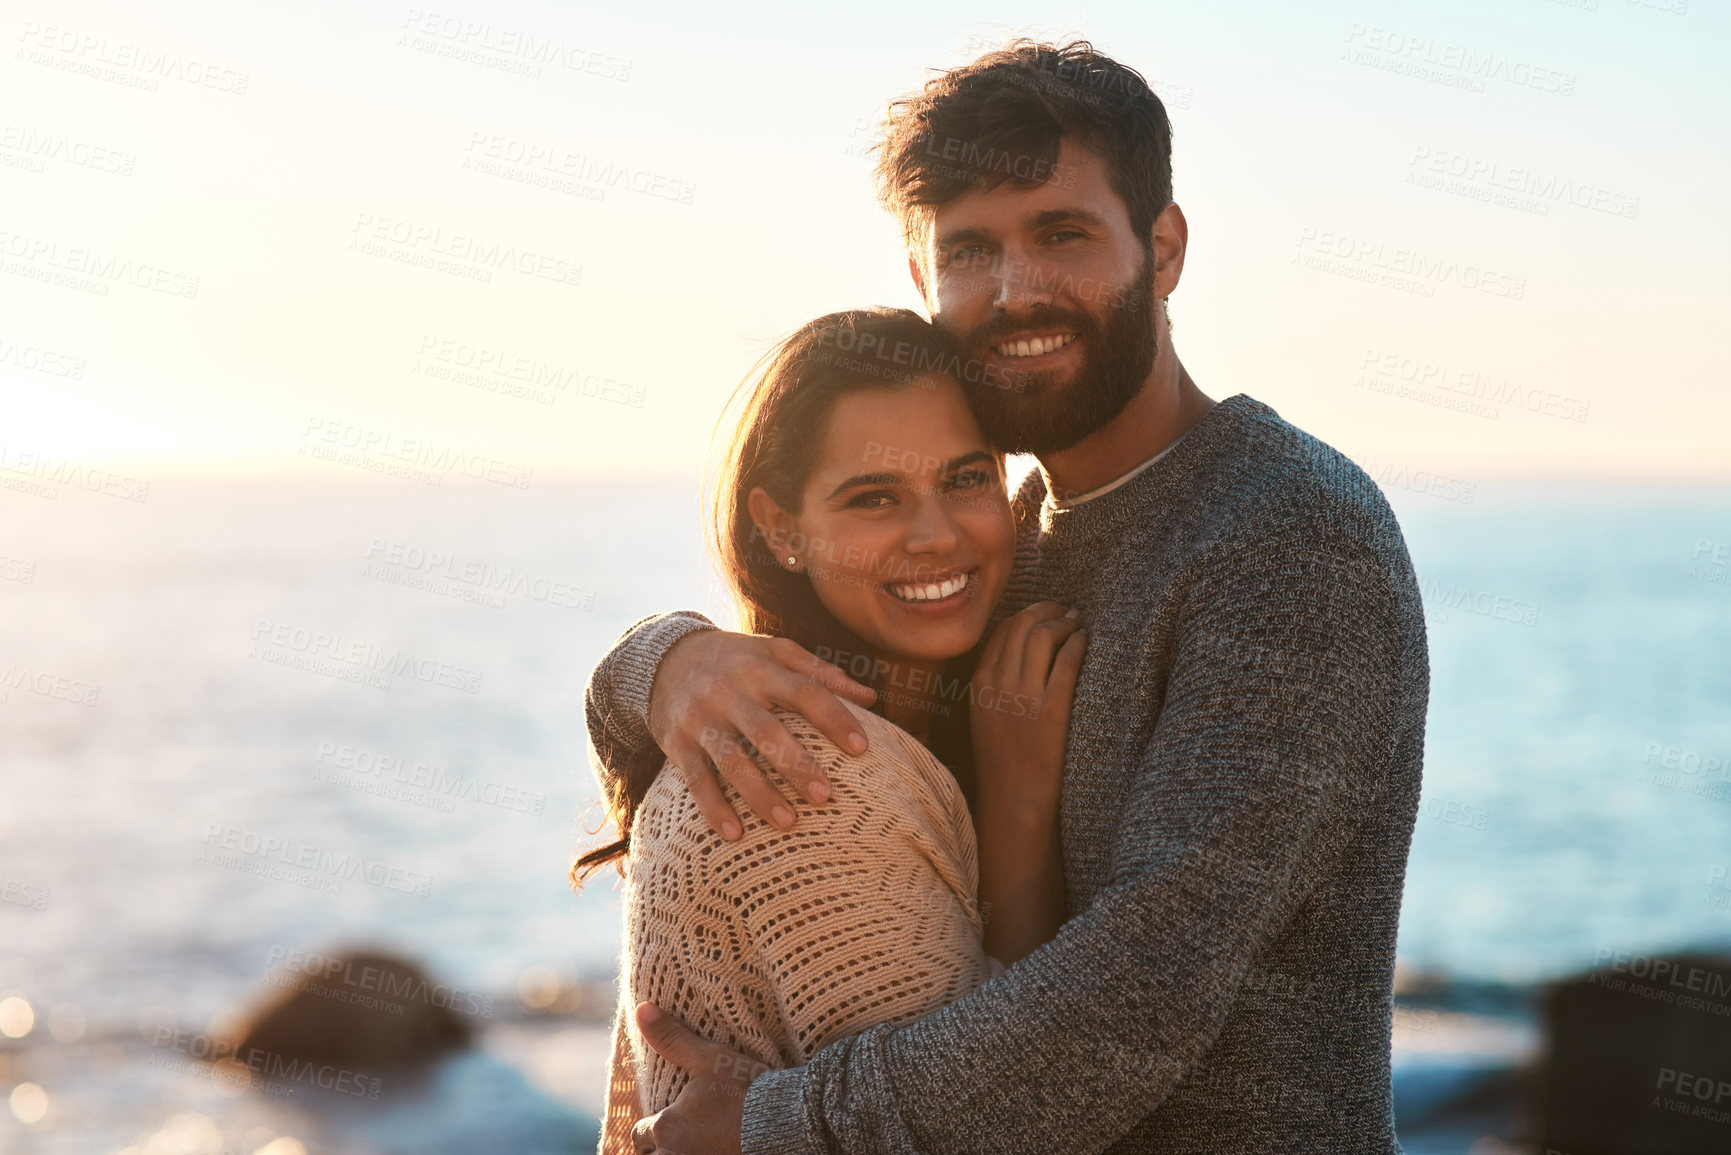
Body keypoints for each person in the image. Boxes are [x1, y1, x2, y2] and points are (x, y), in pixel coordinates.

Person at [587, 40, 1429, 1155]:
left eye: (1063, 234)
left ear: (1163, 248)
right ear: (924, 275)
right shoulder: (1008, 531)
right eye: (972, 249)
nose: (1017, 289)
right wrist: (661, 663)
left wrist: (777, 1128)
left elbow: (1142, 993)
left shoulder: (1288, 539)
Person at [574, 309, 1088, 1154]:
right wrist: (1021, 806)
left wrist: (650, 658)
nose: (938, 535)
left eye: (966, 479)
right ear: (779, 527)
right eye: (874, 497)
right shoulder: (801, 773)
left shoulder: (926, 701)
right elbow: (989, 1115)